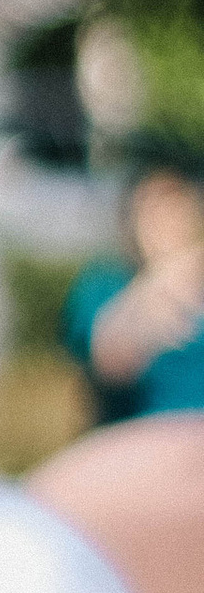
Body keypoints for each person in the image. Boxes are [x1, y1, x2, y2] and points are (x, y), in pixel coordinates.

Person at [63, 146, 204, 421]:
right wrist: (165, 285)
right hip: (143, 440)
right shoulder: (104, 285)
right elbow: (110, 363)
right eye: (153, 210)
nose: (166, 222)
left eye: (176, 207)